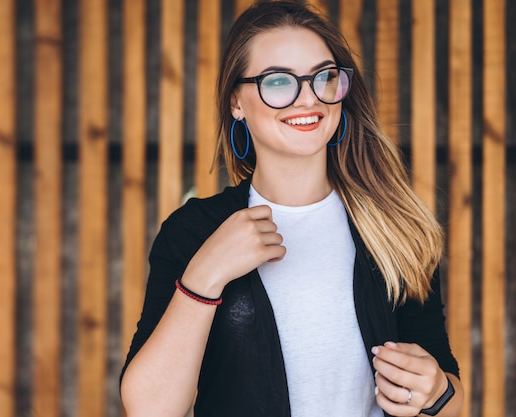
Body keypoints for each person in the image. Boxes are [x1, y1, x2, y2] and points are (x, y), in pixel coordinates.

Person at [120, 2, 463, 417]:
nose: (307, 99)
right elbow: (149, 409)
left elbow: (450, 397)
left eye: (324, 76)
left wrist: (436, 391)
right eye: (278, 81)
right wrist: (203, 277)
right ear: (236, 102)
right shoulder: (193, 232)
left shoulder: (395, 229)